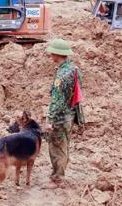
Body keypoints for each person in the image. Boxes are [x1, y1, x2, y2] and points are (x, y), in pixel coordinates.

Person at [44, 38, 83, 186]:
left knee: (56, 146)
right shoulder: (74, 69)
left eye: (52, 54)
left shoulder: (61, 75)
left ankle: (58, 177)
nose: (50, 56)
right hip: (71, 115)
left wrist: (50, 120)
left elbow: (57, 101)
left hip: (60, 117)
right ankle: (59, 173)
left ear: (57, 54)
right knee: (65, 144)